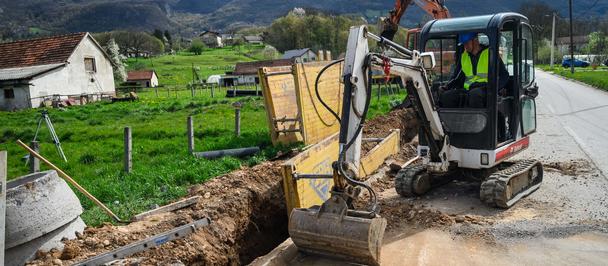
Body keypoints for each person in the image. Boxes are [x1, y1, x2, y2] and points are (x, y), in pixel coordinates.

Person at [439, 33, 510, 108]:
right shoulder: (464, 56)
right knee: (447, 96)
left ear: (475, 40)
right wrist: (446, 87)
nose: (465, 47)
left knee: (475, 94)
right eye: (463, 44)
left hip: (486, 89)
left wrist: (494, 88)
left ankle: (479, 119)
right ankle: (453, 119)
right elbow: (456, 77)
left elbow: (504, 75)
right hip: (468, 89)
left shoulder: (490, 54)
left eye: (467, 43)